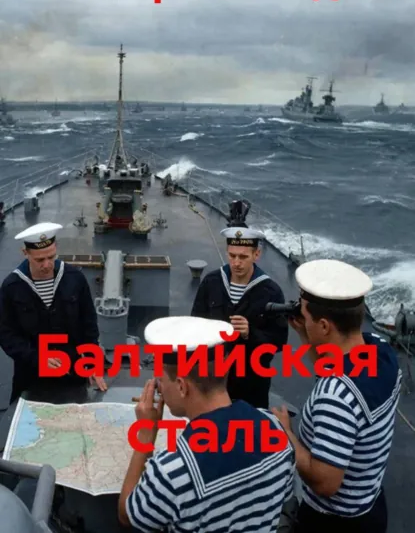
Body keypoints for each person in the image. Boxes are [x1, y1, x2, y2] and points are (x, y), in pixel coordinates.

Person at [118, 315, 295, 532]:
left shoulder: (171, 470)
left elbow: (128, 515)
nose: (159, 388)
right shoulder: (277, 430)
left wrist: (146, 435)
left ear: (182, 386)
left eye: (161, 381)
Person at [273, 259, 401, 533]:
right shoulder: (380, 351)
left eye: (305, 316)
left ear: (324, 326)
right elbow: (334, 371)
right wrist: (305, 335)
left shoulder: (336, 396)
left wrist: (286, 434)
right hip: (370, 505)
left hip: (332, 522)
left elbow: (325, 483)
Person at [0, 222, 107, 403]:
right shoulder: (12, 287)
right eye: (39, 260)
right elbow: (6, 334)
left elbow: (88, 325)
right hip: (31, 376)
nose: (47, 264)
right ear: (25, 253)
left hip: (72, 374)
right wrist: (37, 358)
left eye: (51, 257)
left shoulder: (74, 279)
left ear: (56, 247)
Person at [191, 226, 288, 408]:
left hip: (251, 383)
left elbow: (279, 341)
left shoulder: (270, 292)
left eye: (243, 257)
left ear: (256, 254)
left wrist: (249, 333)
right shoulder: (212, 283)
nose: (236, 263)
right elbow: (195, 324)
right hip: (213, 379)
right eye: (232, 255)